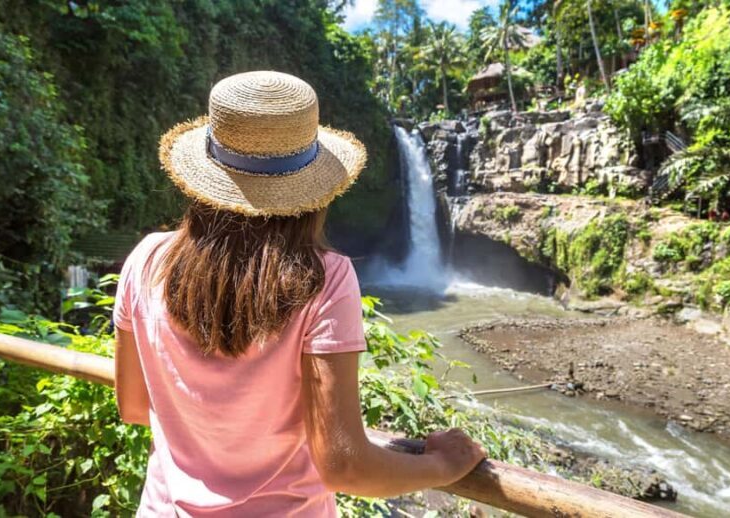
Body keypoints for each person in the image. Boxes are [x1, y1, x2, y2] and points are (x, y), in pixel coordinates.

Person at [113, 71, 485, 517]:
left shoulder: (147, 260)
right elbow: (345, 466)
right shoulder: (324, 279)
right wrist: (443, 463)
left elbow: (134, 405)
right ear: (315, 184)